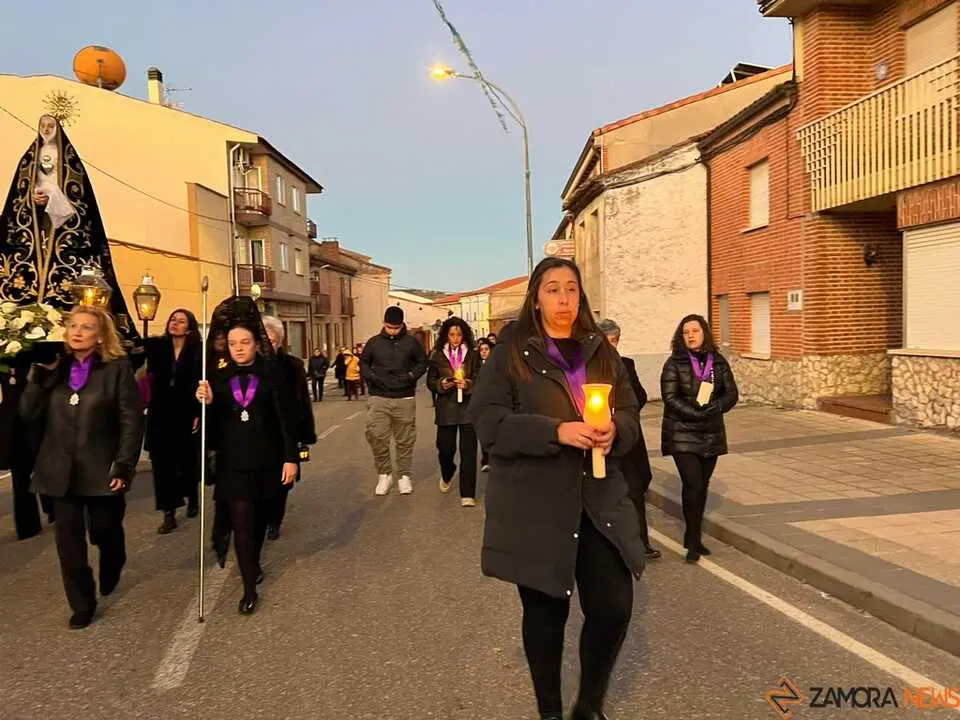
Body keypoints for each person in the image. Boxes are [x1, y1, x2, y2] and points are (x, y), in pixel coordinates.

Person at [468, 257, 646, 720]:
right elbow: (489, 424)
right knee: (547, 618)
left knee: (612, 608)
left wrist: (616, 431)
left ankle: (588, 707)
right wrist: (556, 432)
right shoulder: (512, 349)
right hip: (537, 506)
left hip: (597, 499)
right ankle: (549, 712)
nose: (563, 299)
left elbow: (629, 412)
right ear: (536, 297)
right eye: (552, 289)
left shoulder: (600, 350)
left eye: (571, 289)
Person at [20, 306, 143, 629]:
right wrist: (38, 378)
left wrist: (124, 465)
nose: (77, 332)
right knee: (69, 543)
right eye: (72, 325)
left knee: (103, 529)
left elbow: (131, 420)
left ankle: (113, 555)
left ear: (100, 335)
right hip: (59, 469)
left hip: (101, 466)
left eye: (86, 327)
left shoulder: (116, 369)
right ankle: (81, 602)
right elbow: (27, 414)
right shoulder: (54, 368)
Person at [196, 300, 298, 615]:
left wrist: (290, 458)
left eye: (245, 343)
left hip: (266, 461)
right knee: (241, 522)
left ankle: (252, 563)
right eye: (232, 344)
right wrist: (208, 403)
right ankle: (248, 588)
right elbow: (211, 430)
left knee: (257, 524)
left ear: (257, 343)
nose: (238, 348)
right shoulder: (216, 378)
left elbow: (285, 421)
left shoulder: (271, 376)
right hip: (233, 463)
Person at [660, 314, 739, 564]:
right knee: (692, 483)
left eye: (695, 330)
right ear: (680, 337)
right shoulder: (674, 363)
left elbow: (732, 393)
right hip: (682, 431)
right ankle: (693, 540)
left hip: (711, 432)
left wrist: (716, 408)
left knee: (701, 486)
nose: (691, 335)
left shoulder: (718, 362)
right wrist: (696, 413)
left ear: (704, 333)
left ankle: (692, 533)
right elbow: (670, 398)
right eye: (686, 332)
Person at [598, 319, 660, 560]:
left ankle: (640, 541)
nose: (611, 346)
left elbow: (640, 397)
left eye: (614, 341)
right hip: (601, 439)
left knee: (637, 486)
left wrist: (622, 415)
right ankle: (615, 540)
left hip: (628, 438)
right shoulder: (588, 368)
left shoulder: (626, 365)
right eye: (606, 341)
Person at [136, 309, 203, 535]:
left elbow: (202, 383)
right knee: (162, 466)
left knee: (186, 462)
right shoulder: (157, 347)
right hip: (160, 414)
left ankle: (192, 495)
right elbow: (134, 349)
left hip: (186, 412)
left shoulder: (198, 352)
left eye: (181, 321)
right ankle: (168, 513)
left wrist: (198, 413)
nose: (175, 324)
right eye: (172, 319)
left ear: (190, 327)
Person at [360, 306, 427, 496]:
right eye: (389, 327)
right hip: (378, 396)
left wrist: (411, 375)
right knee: (376, 435)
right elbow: (363, 363)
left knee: (405, 439)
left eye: (396, 328)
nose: (393, 331)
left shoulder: (412, 342)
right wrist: (371, 377)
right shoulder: (373, 343)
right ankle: (384, 473)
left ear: (402, 325)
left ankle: (404, 476)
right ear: (384, 324)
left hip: (404, 397)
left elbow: (423, 362)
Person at [261, 316, 317, 540]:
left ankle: (274, 519)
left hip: (285, 433)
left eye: (272, 340)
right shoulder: (249, 365)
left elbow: (303, 401)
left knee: (281, 482)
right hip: (258, 432)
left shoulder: (293, 366)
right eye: (263, 339)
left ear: (280, 342)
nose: (267, 345)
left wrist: (304, 436)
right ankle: (261, 517)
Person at [426, 317, 481, 507]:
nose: (455, 338)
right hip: (446, 408)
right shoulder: (437, 355)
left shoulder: (473, 355)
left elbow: (480, 378)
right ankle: (447, 473)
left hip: (468, 408)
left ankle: (468, 493)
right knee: (446, 449)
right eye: (451, 334)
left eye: (458, 334)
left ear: (464, 334)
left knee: (469, 452)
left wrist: (469, 384)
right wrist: (441, 384)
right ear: (446, 336)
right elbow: (430, 381)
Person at [477, 338, 494, 472]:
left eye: (486, 349)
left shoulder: (497, 366)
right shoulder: (477, 366)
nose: (483, 352)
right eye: (481, 350)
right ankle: (485, 459)